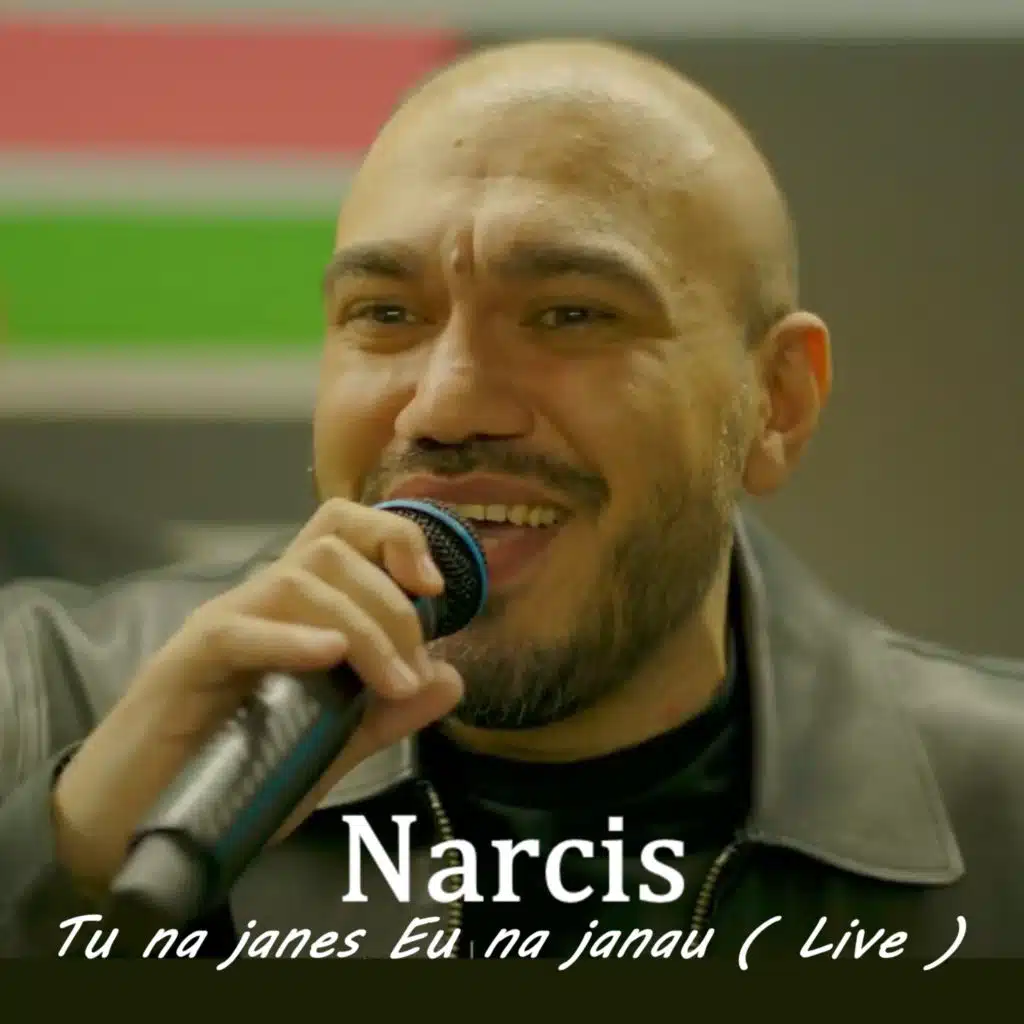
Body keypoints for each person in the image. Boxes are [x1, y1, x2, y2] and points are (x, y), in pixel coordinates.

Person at [1, 39, 1022, 964]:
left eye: (570, 314)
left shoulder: (1002, 814)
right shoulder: (45, 699)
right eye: (385, 313)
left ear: (777, 404)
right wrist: (67, 873)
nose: (447, 405)